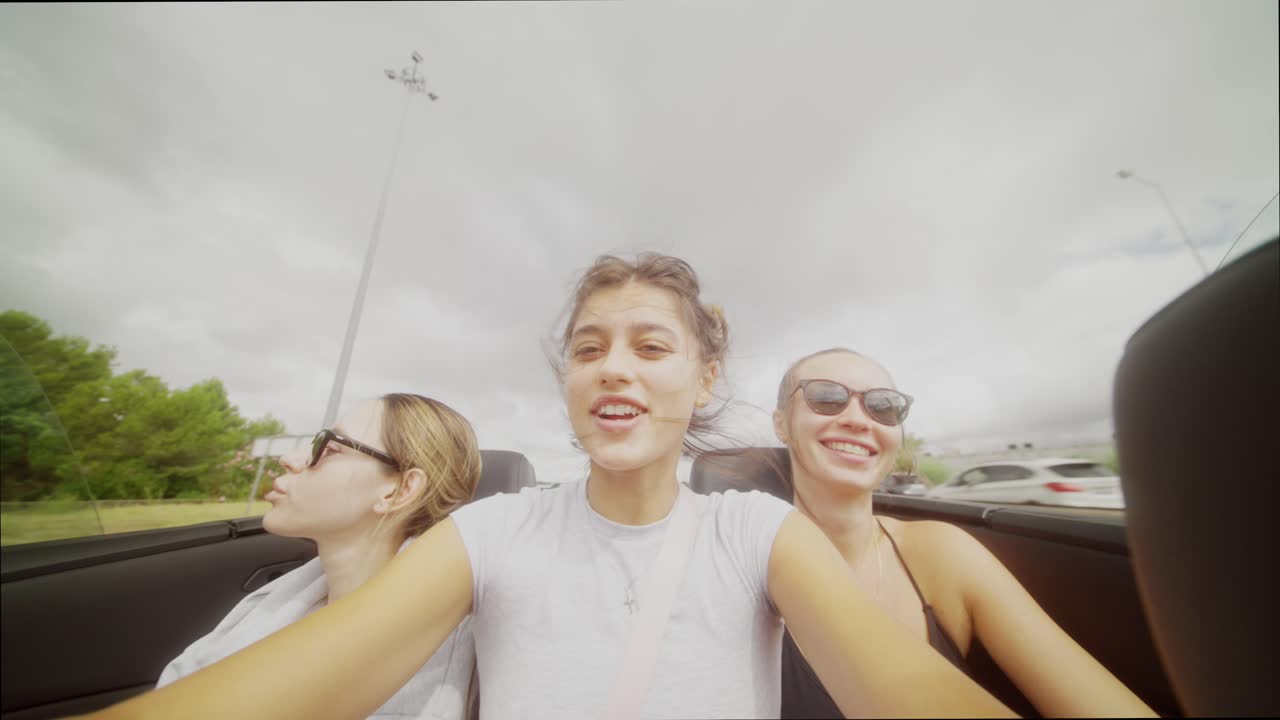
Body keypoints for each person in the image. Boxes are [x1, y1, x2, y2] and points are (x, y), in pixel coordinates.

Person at [86, 254, 1013, 720]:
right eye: (587, 349)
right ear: (566, 381)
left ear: (704, 382)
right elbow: (284, 688)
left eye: (652, 348)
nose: (615, 369)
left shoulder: (758, 534)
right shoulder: (492, 534)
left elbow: (907, 692)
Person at [771, 347, 1157, 717]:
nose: (858, 419)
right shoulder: (743, 563)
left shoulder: (942, 552)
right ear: (781, 424)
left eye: (883, 406)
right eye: (825, 397)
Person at [157, 393, 482, 720]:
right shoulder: (276, 598)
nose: (290, 459)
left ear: (399, 491)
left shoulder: (428, 668)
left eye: (330, 448)